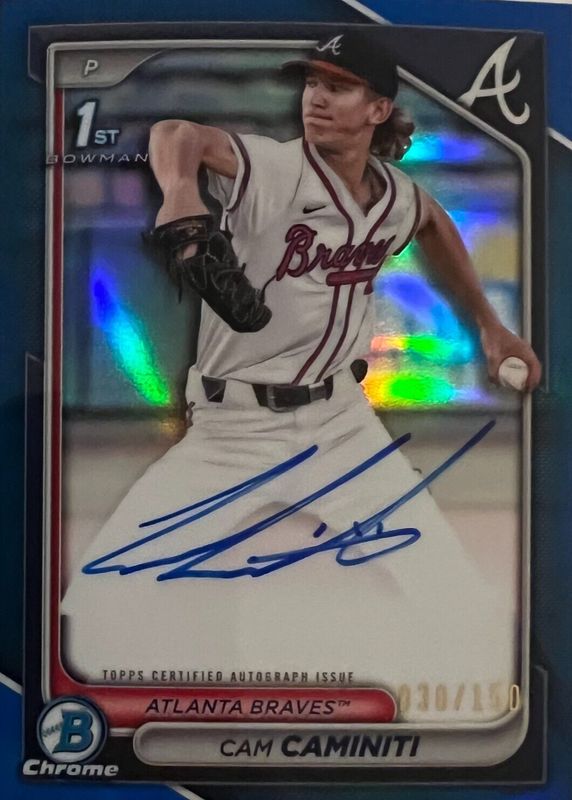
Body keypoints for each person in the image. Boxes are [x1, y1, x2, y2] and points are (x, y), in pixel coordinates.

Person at [62, 30, 540, 723]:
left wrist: (490, 328)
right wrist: (180, 195)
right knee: (101, 596)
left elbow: (433, 222)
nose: (315, 97)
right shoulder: (272, 168)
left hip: (341, 427)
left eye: (337, 86)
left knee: (451, 594)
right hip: (231, 432)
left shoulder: (395, 196)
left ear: (377, 109)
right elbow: (175, 133)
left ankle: (472, 726)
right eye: (311, 82)